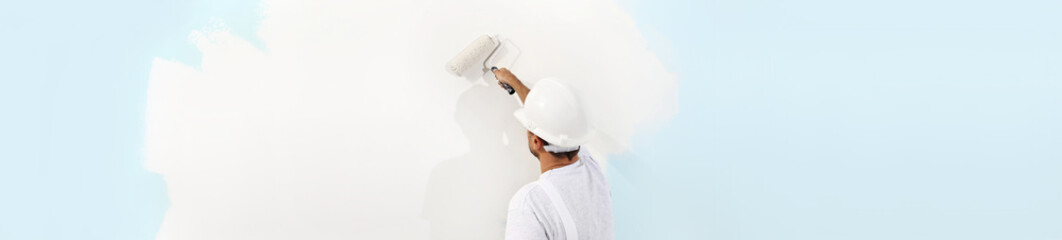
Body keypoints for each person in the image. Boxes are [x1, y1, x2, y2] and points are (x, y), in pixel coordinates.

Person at [493, 68, 614, 240]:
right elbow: (560, 123)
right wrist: (514, 82)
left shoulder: (530, 203)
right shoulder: (593, 172)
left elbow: (557, 126)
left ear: (536, 142)